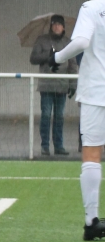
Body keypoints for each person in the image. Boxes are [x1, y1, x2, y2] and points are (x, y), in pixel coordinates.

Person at [51, 0, 105, 241]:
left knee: (92, 153)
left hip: (97, 90)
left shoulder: (91, 8)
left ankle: (91, 221)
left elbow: (82, 42)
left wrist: (57, 56)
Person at [30, 14, 78, 156]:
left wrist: (73, 84)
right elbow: (33, 58)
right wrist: (49, 56)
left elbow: (72, 64)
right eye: (54, 24)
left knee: (59, 117)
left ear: (63, 27)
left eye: (59, 24)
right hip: (46, 85)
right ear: (51, 26)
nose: (57, 27)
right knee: (45, 115)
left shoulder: (68, 43)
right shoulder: (42, 40)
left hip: (62, 86)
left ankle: (59, 146)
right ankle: (45, 146)